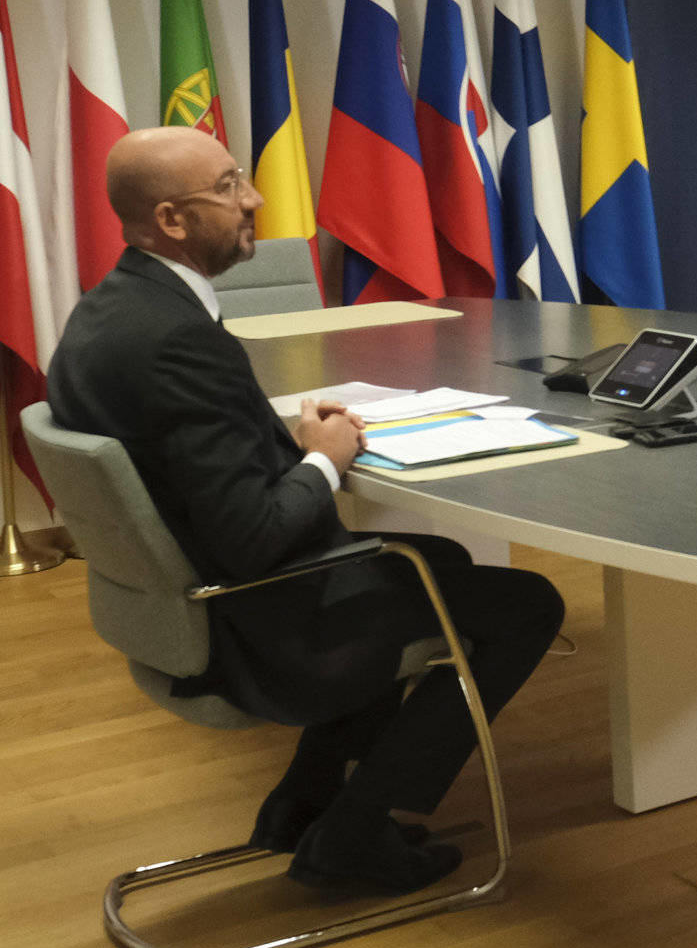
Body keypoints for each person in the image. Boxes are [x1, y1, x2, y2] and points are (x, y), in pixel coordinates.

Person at [46, 127, 564, 895]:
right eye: (228, 187)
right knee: (529, 604)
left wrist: (274, 441)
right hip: (256, 619)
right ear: (172, 220)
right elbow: (253, 539)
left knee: (442, 562)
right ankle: (355, 832)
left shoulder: (110, 310)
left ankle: (305, 801)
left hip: (183, 600)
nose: (254, 199)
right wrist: (326, 459)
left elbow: (178, 458)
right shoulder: (179, 339)